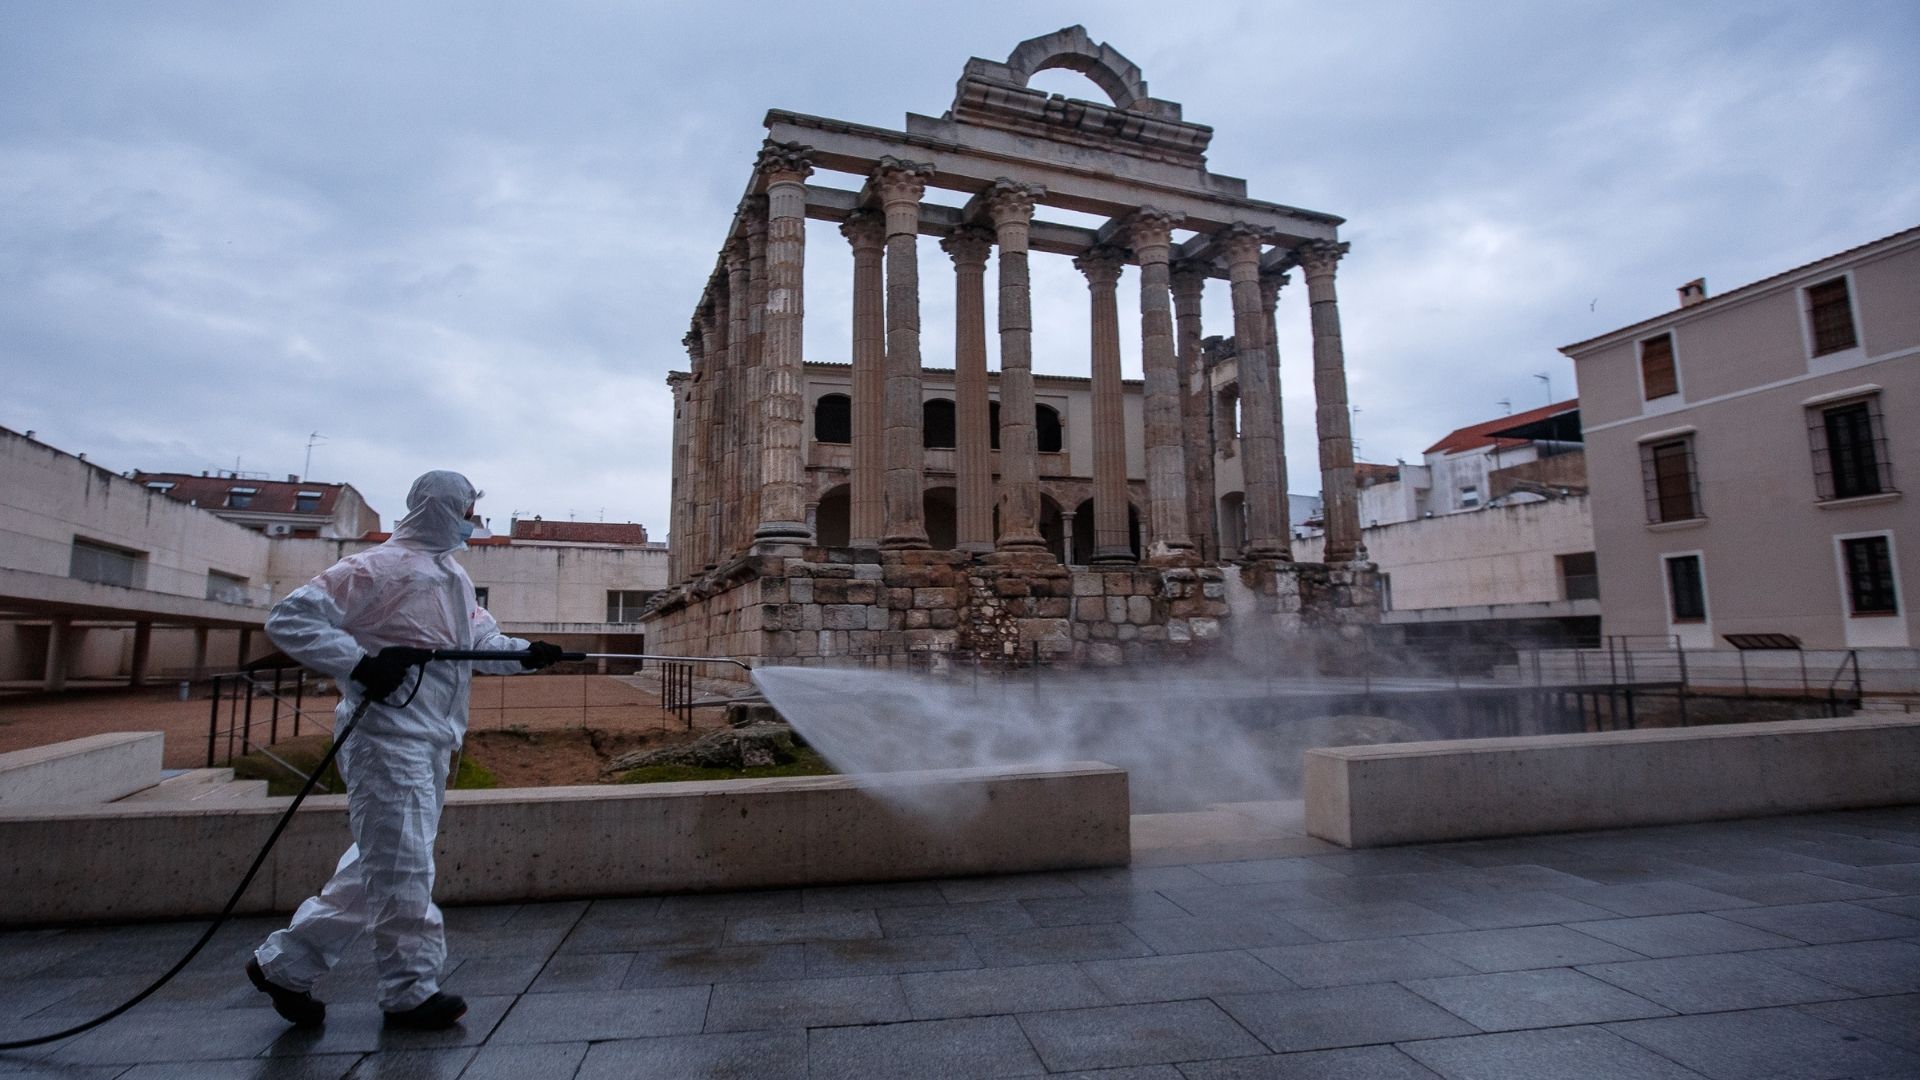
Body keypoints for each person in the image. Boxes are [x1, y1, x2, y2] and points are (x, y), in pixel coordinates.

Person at [245, 470, 564, 1030]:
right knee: (405, 867)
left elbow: (477, 644)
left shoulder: (453, 578)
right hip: (386, 741)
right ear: (441, 509)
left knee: (380, 865)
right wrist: (361, 664)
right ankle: (409, 991)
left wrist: (529, 653)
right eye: (467, 510)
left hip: (432, 740)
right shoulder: (376, 567)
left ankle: (285, 966)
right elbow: (290, 617)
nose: (471, 522)